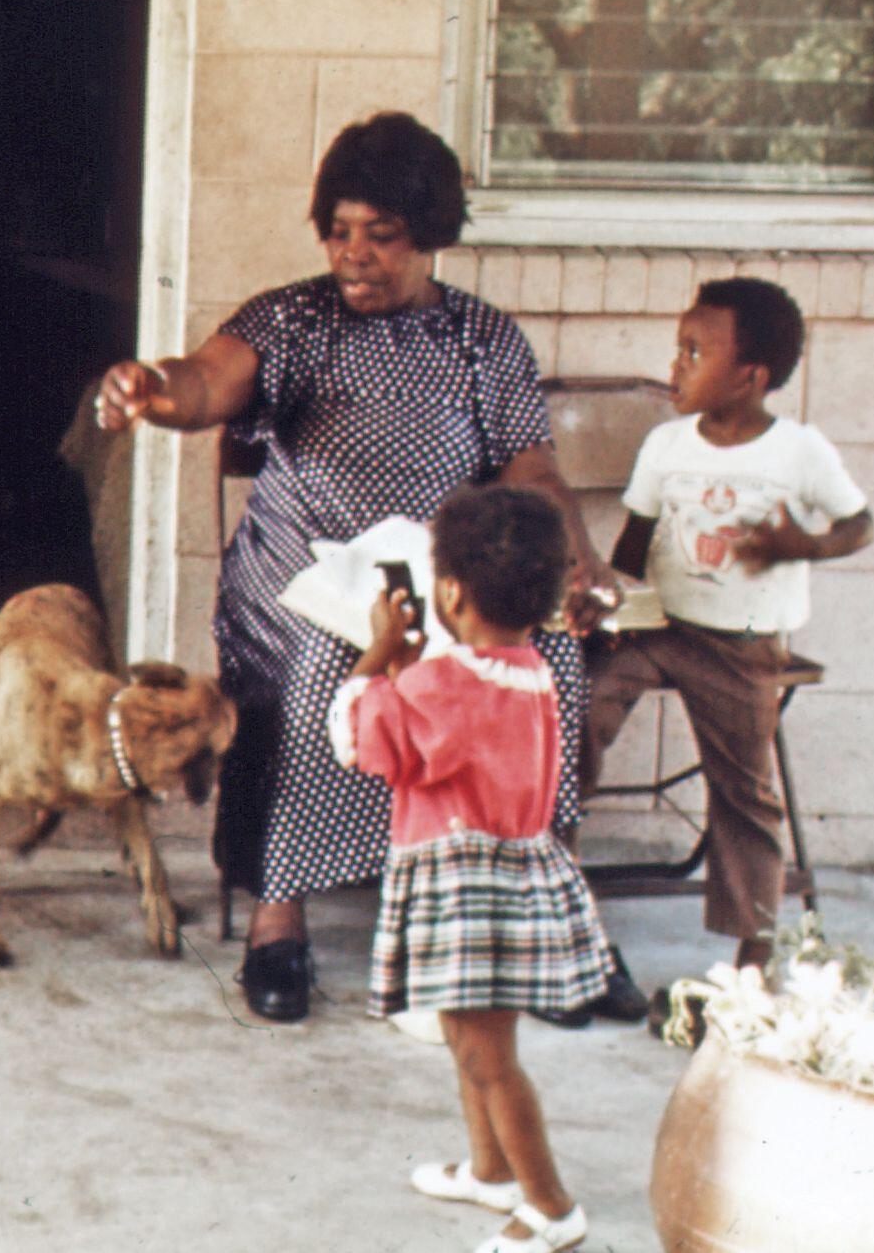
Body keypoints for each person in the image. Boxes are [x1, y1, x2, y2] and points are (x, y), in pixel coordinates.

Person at [93, 112, 621, 1024]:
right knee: (322, 666)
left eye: (382, 236)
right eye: (339, 232)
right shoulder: (294, 318)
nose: (356, 256)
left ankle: (547, 926)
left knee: (552, 665)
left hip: (440, 577)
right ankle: (278, 923)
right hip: (307, 574)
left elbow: (532, 469)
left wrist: (576, 561)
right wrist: (153, 388)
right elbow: (210, 380)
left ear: (431, 236)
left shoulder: (482, 340)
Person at [340, 484, 607, 1253]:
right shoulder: (528, 668)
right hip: (508, 879)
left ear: (449, 592)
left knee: (490, 1059)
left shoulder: (439, 685)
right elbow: (455, 721)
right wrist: (421, 662)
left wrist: (378, 654)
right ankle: (491, 1171)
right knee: (471, 1042)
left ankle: (553, 1207)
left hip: (468, 891)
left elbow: (359, 740)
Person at [592, 276, 874, 976]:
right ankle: (555, 874)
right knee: (579, 709)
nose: (677, 365)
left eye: (695, 350)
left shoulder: (798, 451)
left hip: (740, 645)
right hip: (657, 627)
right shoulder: (666, 443)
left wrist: (805, 546)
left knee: (744, 787)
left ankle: (755, 940)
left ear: (750, 376)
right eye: (677, 347)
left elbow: (859, 523)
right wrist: (610, 605)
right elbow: (637, 535)